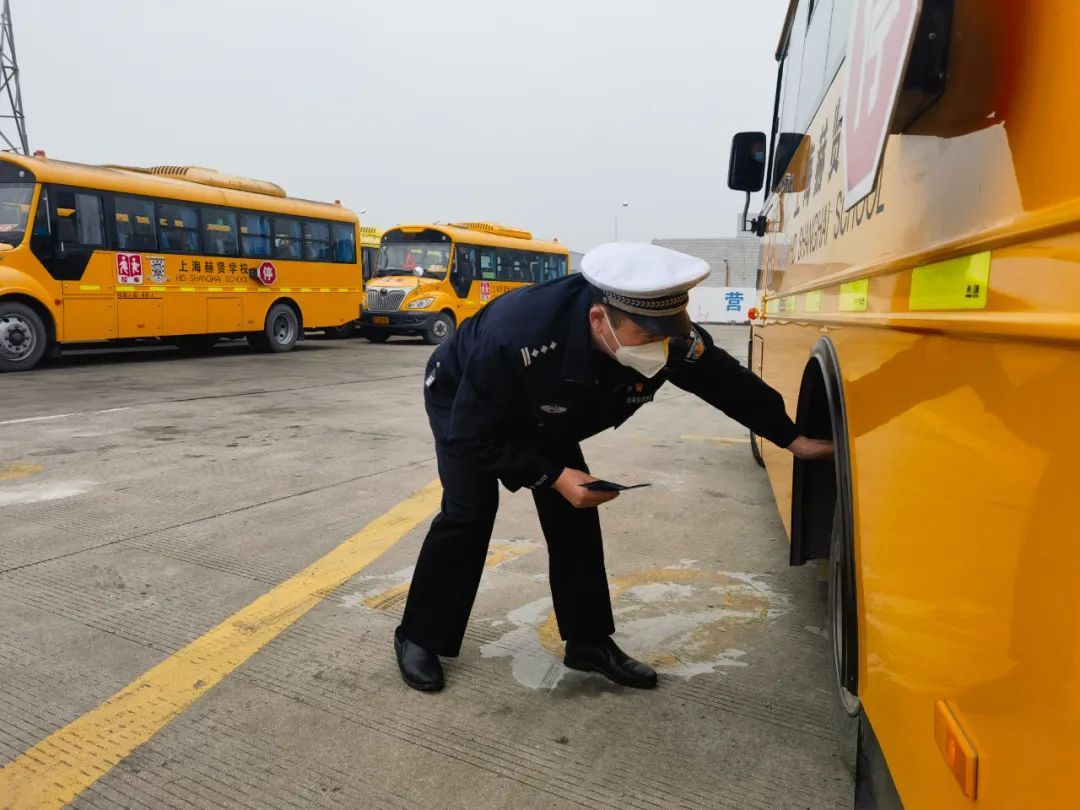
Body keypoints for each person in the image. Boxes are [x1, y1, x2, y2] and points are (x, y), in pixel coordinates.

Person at [395, 242, 833, 692]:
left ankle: (587, 643)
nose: (662, 349)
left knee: (576, 514)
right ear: (599, 319)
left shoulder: (662, 334)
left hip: (549, 413)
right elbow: (471, 435)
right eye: (648, 338)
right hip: (466, 403)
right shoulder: (516, 334)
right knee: (469, 514)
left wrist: (790, 437)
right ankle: (419, 636)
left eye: (667, 336)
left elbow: (724, 380)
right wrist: (553, 475)